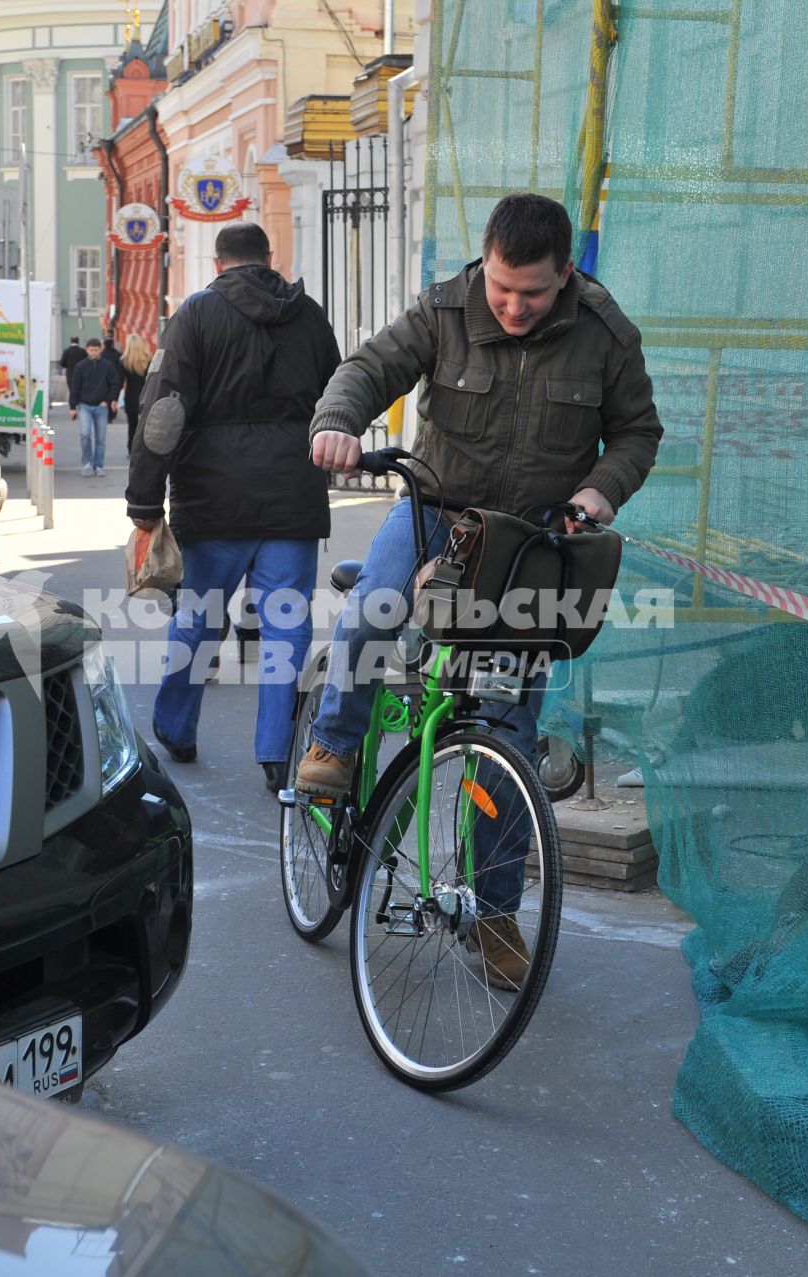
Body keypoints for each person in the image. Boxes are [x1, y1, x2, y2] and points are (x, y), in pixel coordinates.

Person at [296, 192, 663, 988]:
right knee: (372, 613)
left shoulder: (605, 334)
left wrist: (600, 490)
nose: (513, 306)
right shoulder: (446, 307)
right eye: (502, 288)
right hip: (433, 507)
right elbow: (368, 367)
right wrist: (337, 421)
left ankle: (492, 912)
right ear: (487, 264)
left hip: (530, 539)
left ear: (565, 274)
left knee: (509, 732)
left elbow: (639, 431)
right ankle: (334, 741)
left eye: (531, 292)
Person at [126, 221, 341, 793]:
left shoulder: (195, 314)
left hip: (211, 497)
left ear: (218, 264)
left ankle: (176, 728)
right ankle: (276, 753)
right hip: (293, 495)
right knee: (286, 627)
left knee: (197, 619)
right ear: (267, 259)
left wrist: (144, 501)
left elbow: (164, 411)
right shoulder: (310, 314)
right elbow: (340, 392)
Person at [68, 339, 121, 476]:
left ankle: (98, 465)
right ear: (87, 350)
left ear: (100, 350)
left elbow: (115, 384)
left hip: (101, 406)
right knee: (85, 435)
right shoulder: (80, 366)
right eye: (91, 350)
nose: (94, 352)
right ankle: (87, 463)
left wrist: (109, 400)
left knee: (100, 438)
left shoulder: (107, 366)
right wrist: (73, 406)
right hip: (85, 405)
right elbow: (75, 387)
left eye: (96, 350)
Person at [120, 332, 152, 452]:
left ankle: (131, 449)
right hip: (146, 395)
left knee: (132, 425)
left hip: (130, 396)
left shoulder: (123, 361)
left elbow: (119, 380)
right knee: (145, 425)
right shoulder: (148, 360)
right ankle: (145, 449)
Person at [58, 334, 86, 404]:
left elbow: (62, 363)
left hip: (70, 373)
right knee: (80, 389)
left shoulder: (67, 351)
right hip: (81, 373)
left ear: (70, 341)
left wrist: (67, 366)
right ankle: (80, 402)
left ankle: (72, 405)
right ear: (78, 341)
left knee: (72, 389)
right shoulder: (82, 351)